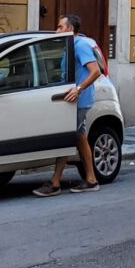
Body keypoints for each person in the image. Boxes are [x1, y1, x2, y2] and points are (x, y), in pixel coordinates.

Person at [34, 14, 102, 197]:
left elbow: (95, 71)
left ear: (70, 29)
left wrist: (79, 89)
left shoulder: (80, 46)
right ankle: (91, 179)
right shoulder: (71, 46)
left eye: (60, 27)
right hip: (76, 101)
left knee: (66, 136)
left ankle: (55, 182)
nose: (57, 31)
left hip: (79, 101)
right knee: (79, 137)